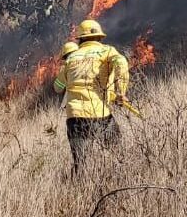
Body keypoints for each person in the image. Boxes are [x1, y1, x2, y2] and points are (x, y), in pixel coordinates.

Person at [53, 20, 130, 175]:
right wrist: (121, 92)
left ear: (80, 39)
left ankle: (79, 192)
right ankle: (117, 180)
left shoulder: (71, 59)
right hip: (100, 115)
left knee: (80, 164)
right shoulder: (107, 51)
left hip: (75, 117)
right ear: (99, 37)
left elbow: (57, 87)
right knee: (117, 153)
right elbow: (121, 63)